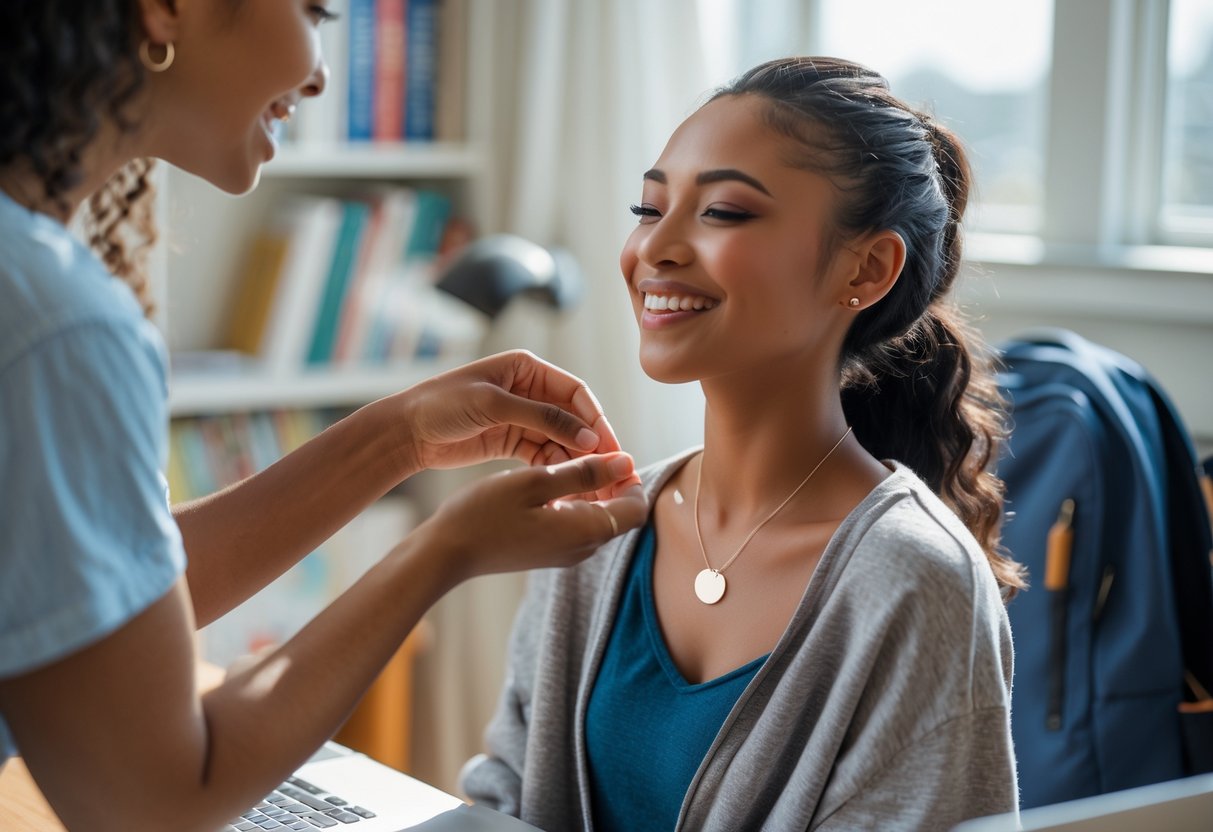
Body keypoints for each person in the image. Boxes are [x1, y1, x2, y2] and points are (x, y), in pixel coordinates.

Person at [0, 2, 649, 830]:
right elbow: (159, 798)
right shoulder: (57, 323)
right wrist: (442, 550)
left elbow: (102, 593)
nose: (320, 71)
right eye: (313, 9)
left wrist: (401, 434)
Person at [461, 56, 1027, 831]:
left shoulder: (913, 581)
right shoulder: (594, 531)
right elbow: (503, 804)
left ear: (866, 269)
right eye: (648, 207)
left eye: (723, 211)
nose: (655, 249)